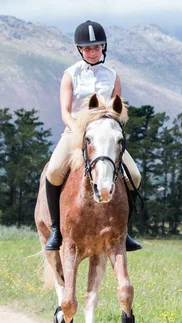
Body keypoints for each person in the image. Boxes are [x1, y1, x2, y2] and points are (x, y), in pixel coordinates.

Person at [44, 20, 142, 252]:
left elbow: (118, 112)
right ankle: (57, 229)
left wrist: (112, 129)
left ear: (103, 48)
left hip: (105, 135)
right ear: (80, 49)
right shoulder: (70, 75)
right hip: (75, 131)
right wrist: (80, 131)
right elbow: (65, 112)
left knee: (135, 176)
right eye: (87, 48)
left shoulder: (113, 76)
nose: (92, 52)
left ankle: (125, 231)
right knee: (54, 170)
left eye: (96, 47)